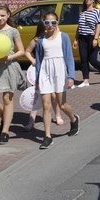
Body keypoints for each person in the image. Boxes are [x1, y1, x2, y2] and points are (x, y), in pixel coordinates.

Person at [25, 11, 80, 149]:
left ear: (57, 23)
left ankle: (74, 119)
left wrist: (71, 76)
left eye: (53, 22)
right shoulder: (41, 40)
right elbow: (38, 60)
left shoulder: (64, 37)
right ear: (43, 23)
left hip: (60, 71)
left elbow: (69, 58)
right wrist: (37, 78)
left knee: (62, 105)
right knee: (46, 105)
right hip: (45, 72)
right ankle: (47, 136)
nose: (50, 25)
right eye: (47, 22)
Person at [0, 4, 26, 145]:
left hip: (8, 67)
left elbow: (21, 51)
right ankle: (6, 117)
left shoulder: (13, 31)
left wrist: (8, 57)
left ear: (8, 14)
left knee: (8, 100)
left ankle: (5, 131)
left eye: (2, 15)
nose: (0, 18)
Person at [23, 21, 64, 131]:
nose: (48, 30)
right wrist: (32, 59)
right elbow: (27, 51)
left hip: (52, 71)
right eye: (45, 29)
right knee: (36, 96)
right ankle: (31, 121)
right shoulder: (37, 40)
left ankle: (58, 115)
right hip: (39, 71)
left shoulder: (54, 39)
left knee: (54, 96)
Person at [73, 0, 100, 87]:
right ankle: (86, 80)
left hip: (92, 37)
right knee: (83, 59)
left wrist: (95, 39)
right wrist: (76, 39)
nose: (87, 0)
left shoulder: (97, 11)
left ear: (93, 0)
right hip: (82, 37)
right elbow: (79, 26)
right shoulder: (82, 12)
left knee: (92, 60)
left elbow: (98, 25)